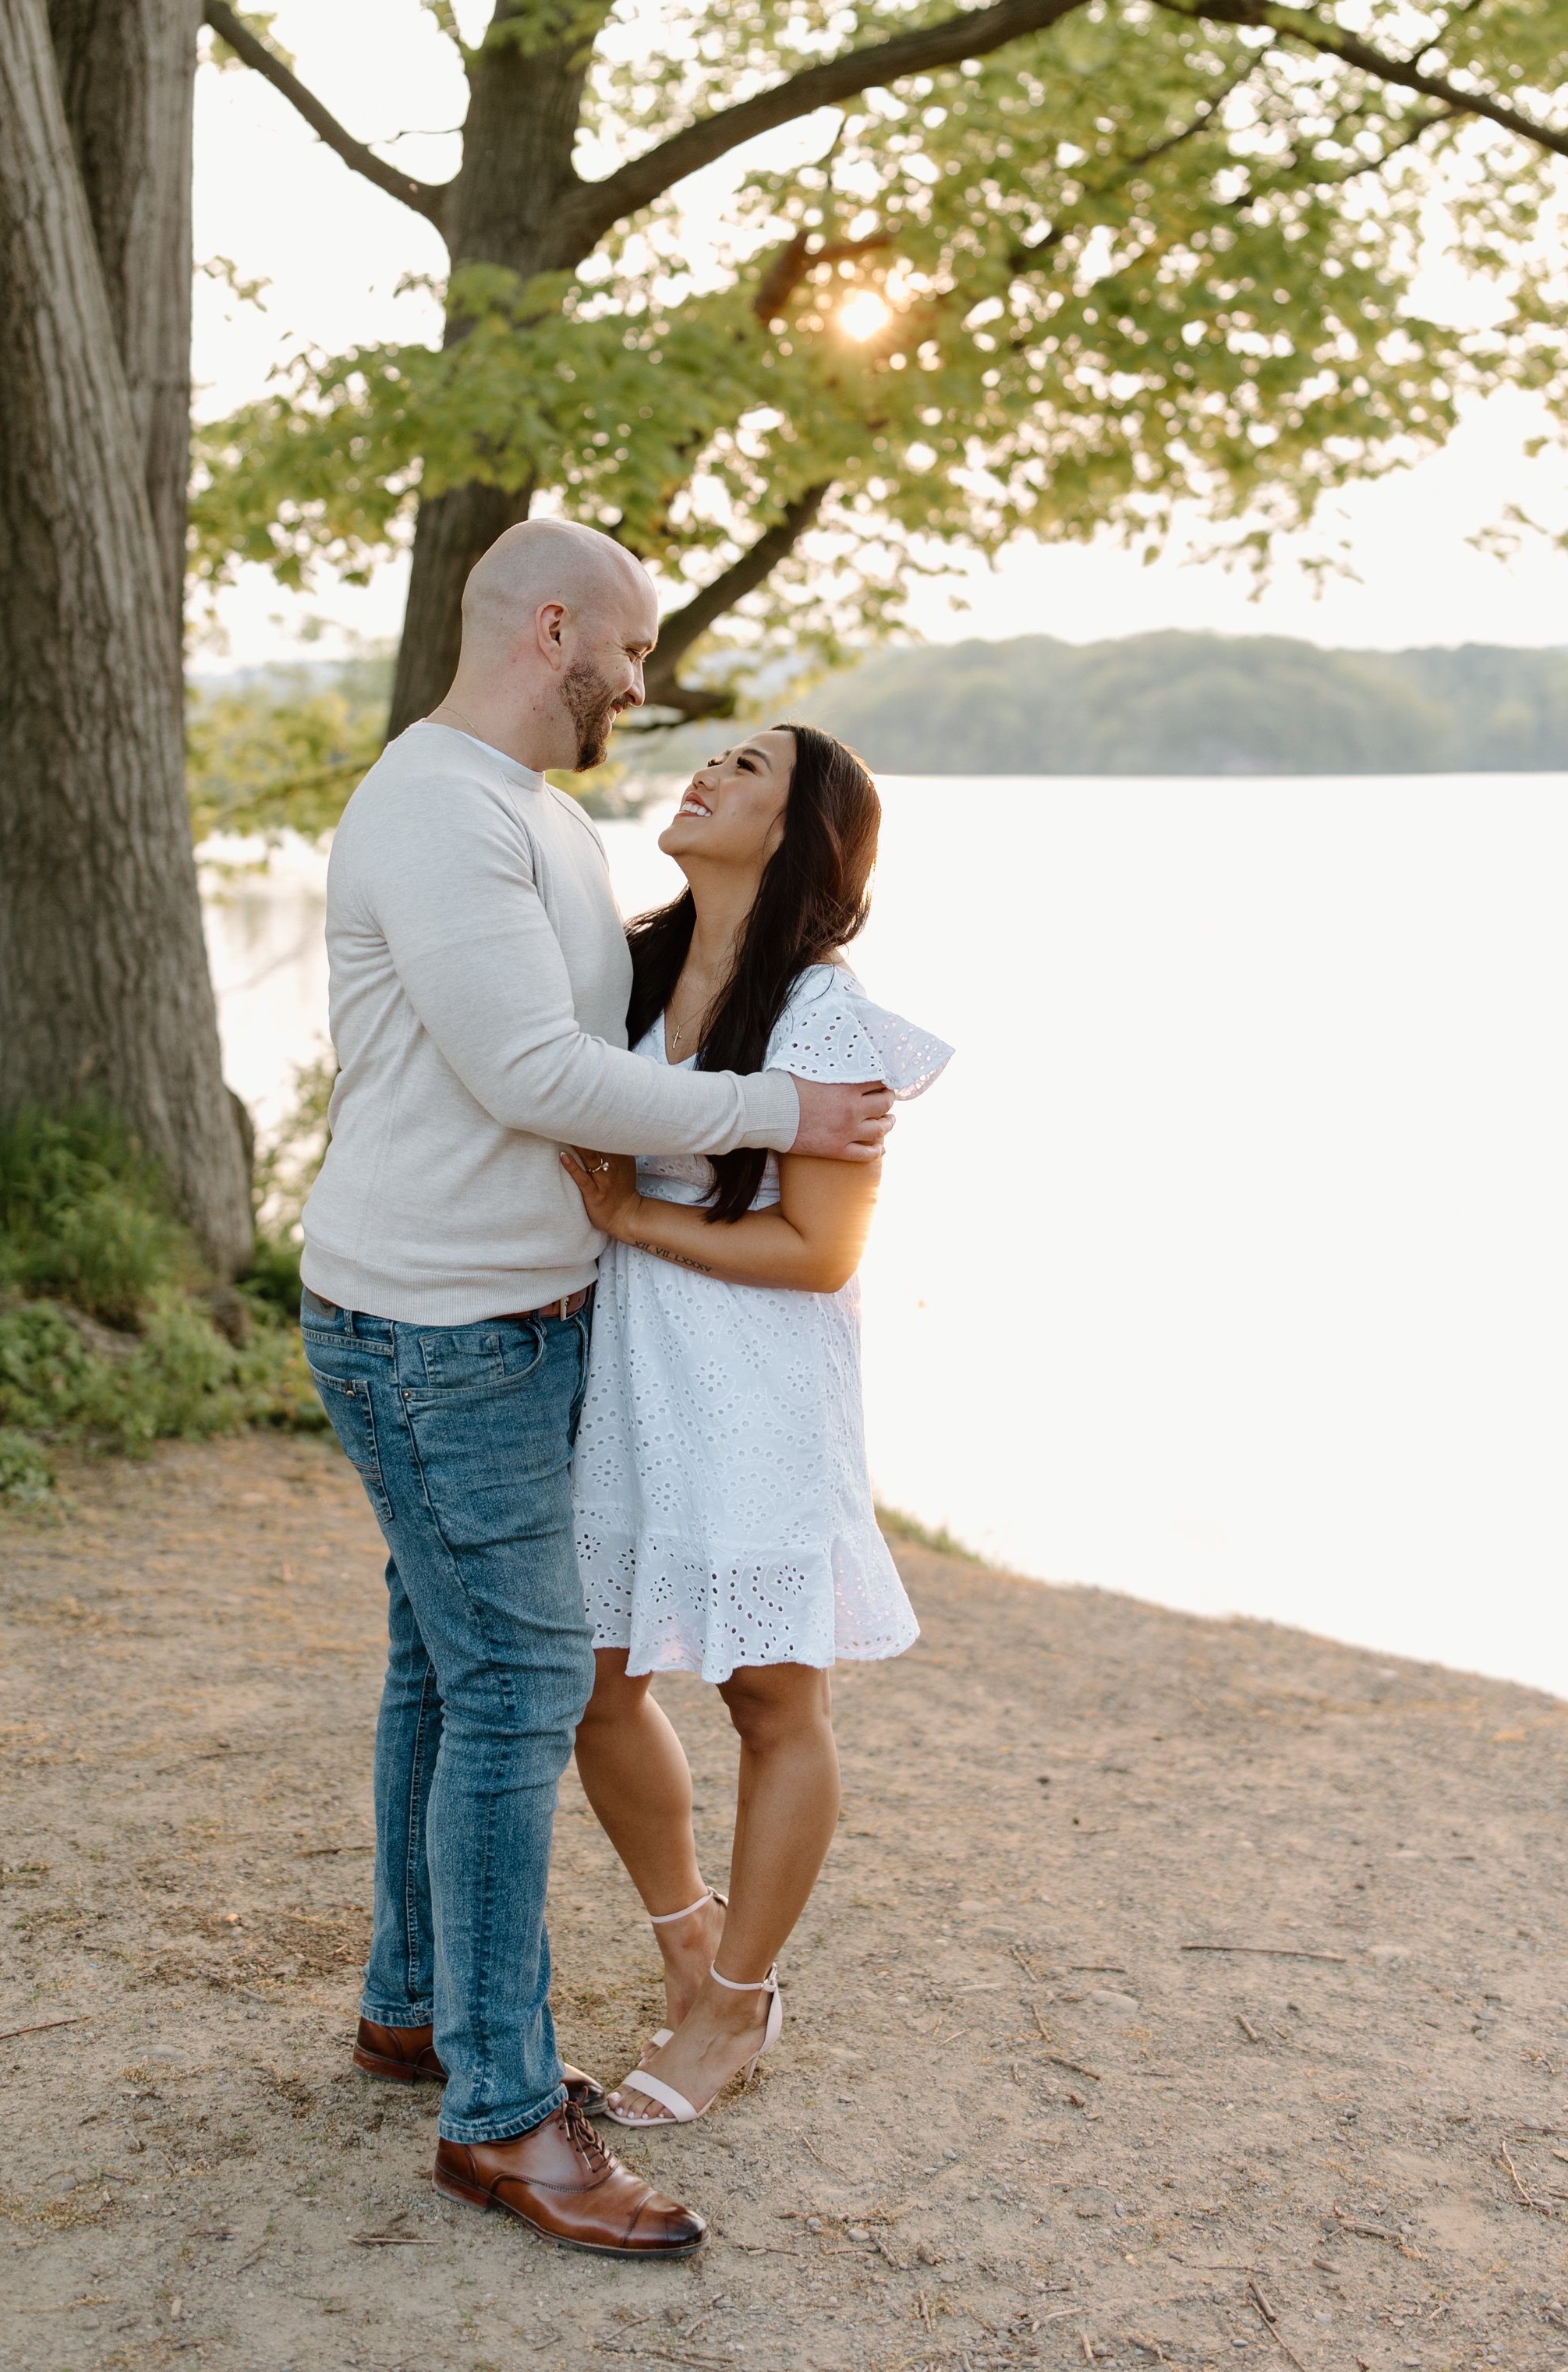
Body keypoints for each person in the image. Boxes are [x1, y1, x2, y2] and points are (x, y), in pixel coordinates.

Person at [296, 521, 897, 2260]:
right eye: (626, 652)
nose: (644, 689)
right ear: (550, 627)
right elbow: (525, 1071)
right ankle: (499, 2114)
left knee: (447, 1665)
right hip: (435, 1324)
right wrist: (775, 1119)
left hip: (522, 1321)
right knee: (514, 1693)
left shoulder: (542, 819)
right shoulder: (434, 806)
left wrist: (729, 1142)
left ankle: (412, 2008)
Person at [559, 724, 950, 2128]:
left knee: (771, 1696)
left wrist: (630, 1214)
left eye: (746, 768)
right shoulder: (632, 966)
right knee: (595, 1682)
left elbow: (821, 1250)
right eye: (710, 754)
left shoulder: (821, 1013)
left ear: (799, 835)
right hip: (631, 1368)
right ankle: (687, 1941)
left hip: (760, 1381)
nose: (705, 771)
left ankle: (737, 1996)